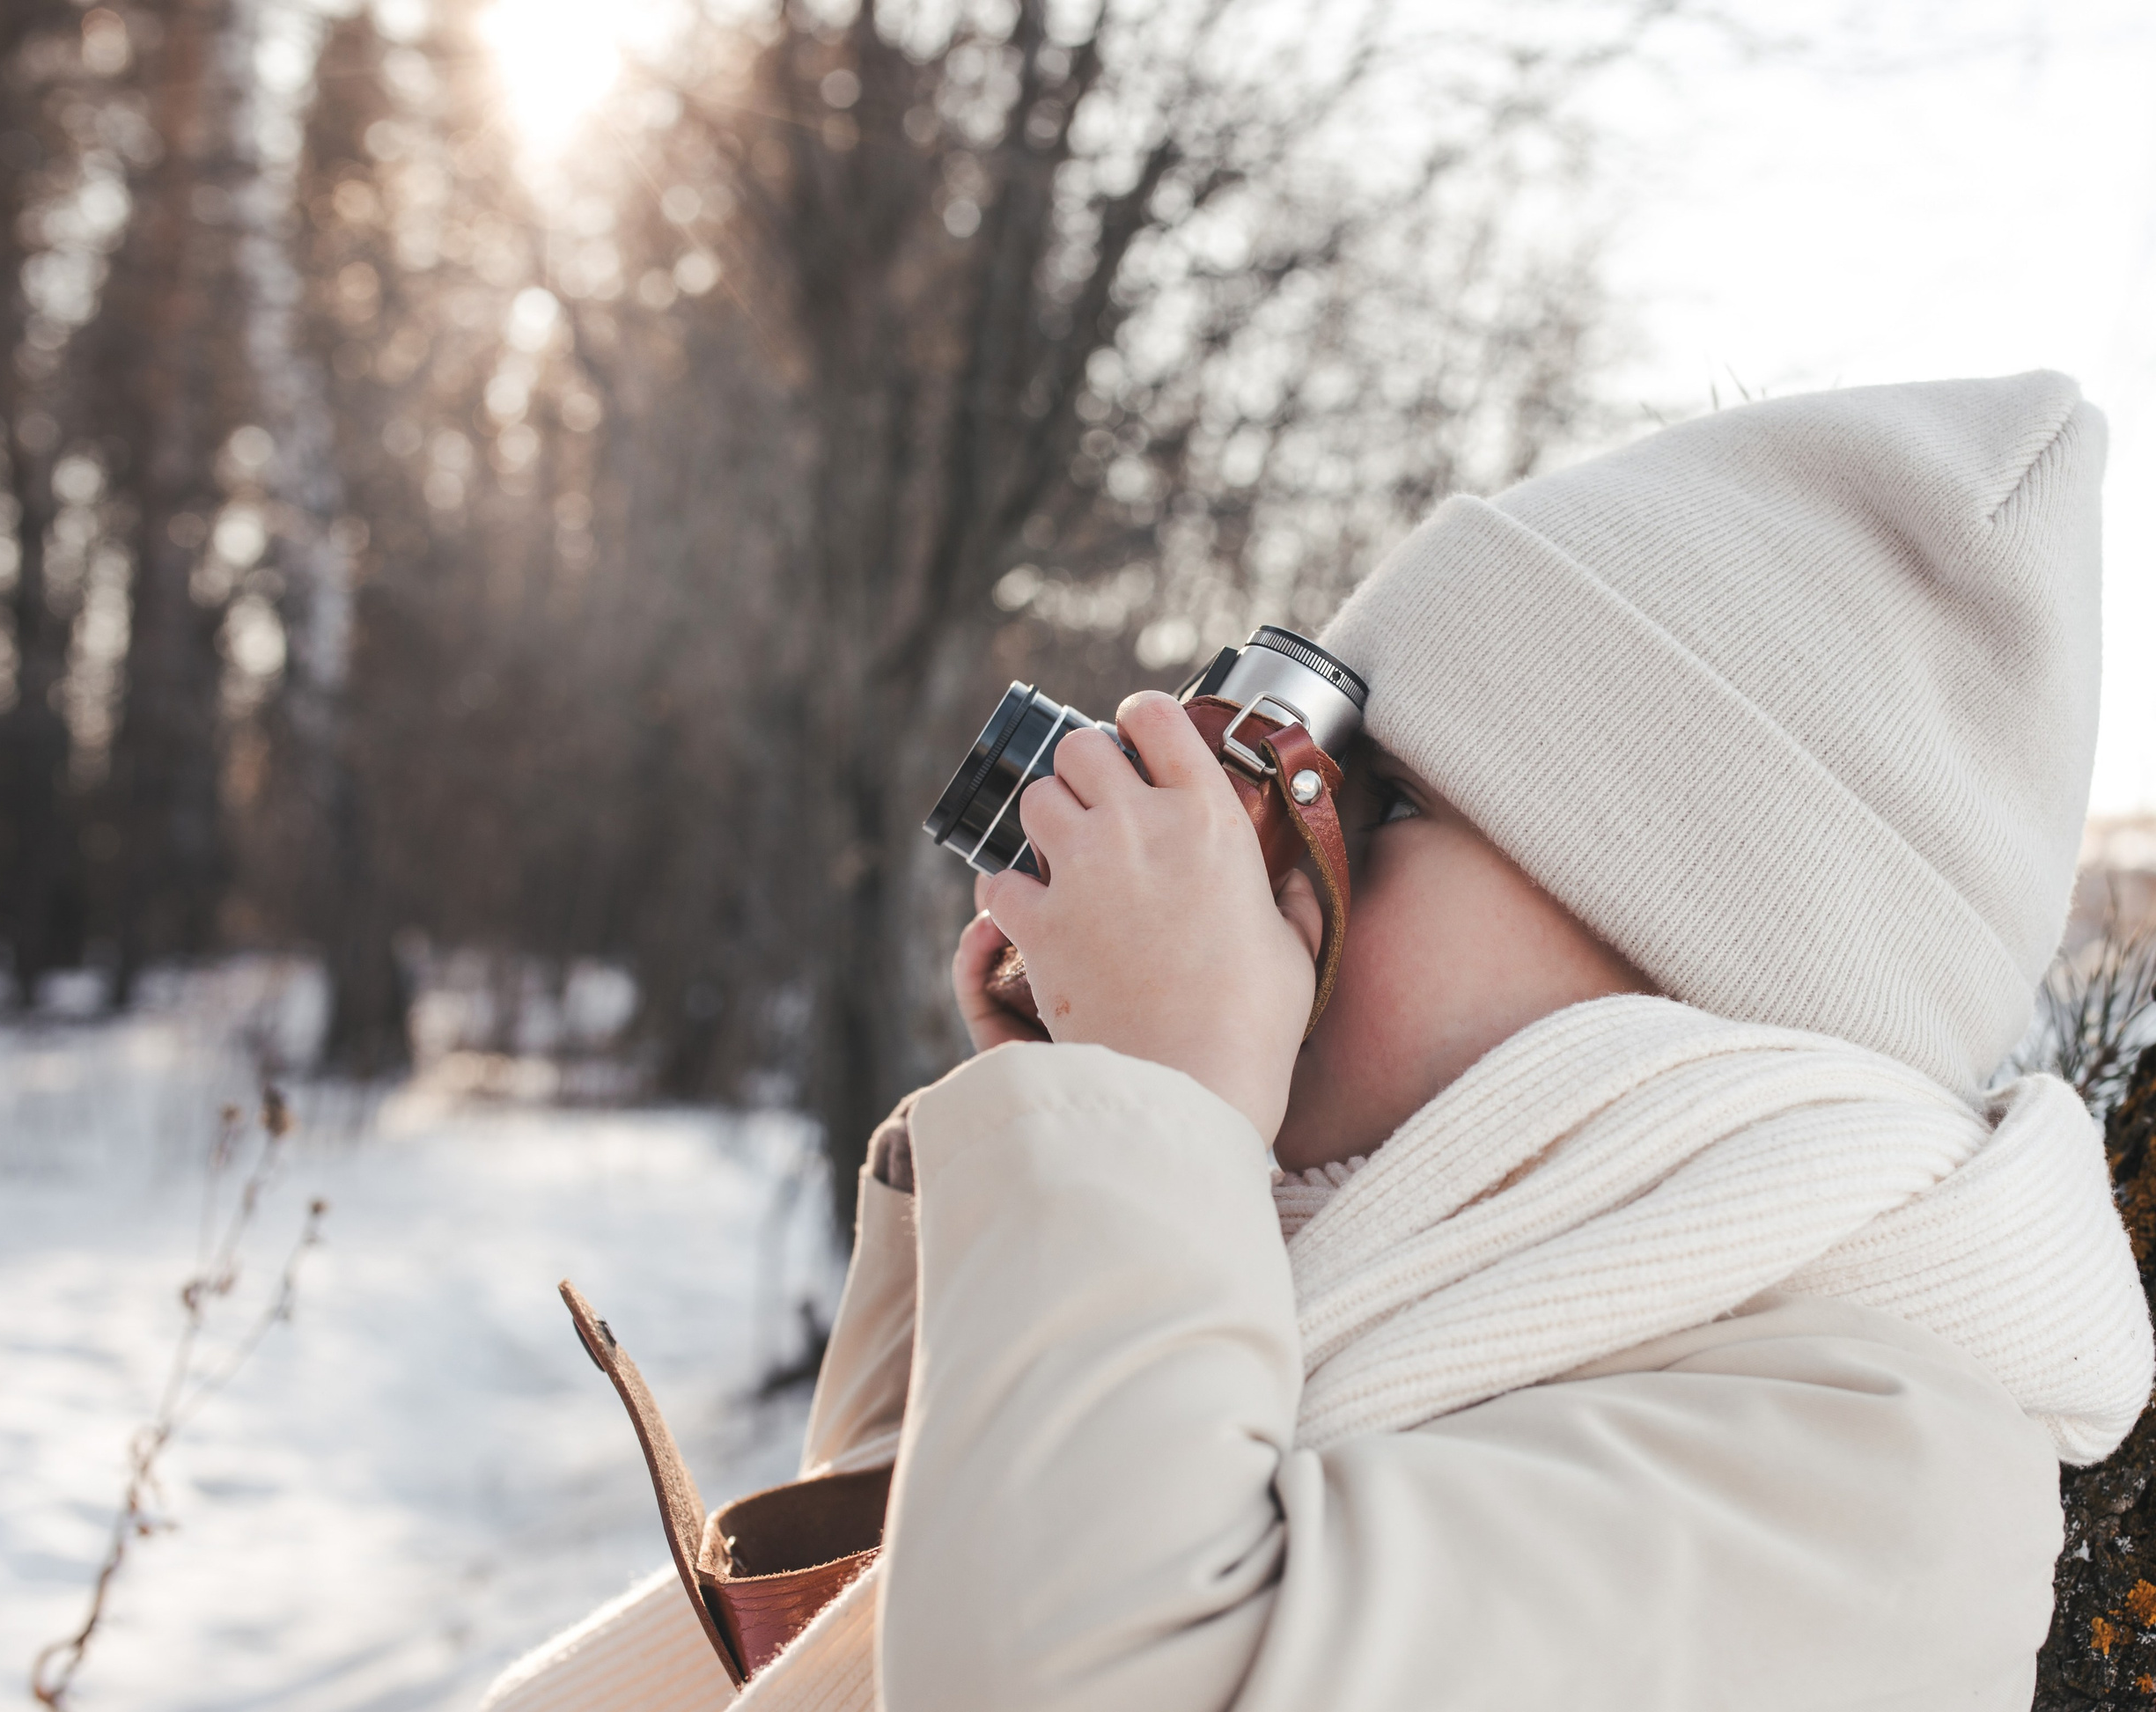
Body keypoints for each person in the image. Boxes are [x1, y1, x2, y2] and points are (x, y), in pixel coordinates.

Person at [484, 370, 2152, 1712]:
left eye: (1386, 798)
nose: (1284, 849)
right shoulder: (1392, 1252)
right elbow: (910, 1611)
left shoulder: (1881, 1485)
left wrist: (1153, 1102)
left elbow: (1077, 1673)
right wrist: (1056, 1138)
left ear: (1688, 959)